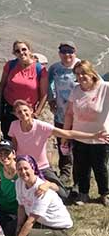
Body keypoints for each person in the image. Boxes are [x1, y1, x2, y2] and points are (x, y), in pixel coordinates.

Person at [10, 98, 106, 200]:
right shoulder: (14, 126)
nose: (23, 113)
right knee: (21, 195)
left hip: (42, 167)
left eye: (25, 110)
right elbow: (14, 149)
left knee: (63, 196)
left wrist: (93, 136)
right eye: (19, 112)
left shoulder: (41, 126)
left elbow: (68, 133)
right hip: (24, 168)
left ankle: (47, 186)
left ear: (31, 110)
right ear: (16, 115)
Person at [64, 59, 109, 206]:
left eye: (84, 73)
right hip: (79, 136)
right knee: (81, 167)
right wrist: (65, 134)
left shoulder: (105, 88)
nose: (81, 77)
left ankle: (104, 194)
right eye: (77, 74)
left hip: (100, 137)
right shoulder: (76, 90)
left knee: (100, 167)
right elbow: (69, 113)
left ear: (91, 72)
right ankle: (83, 194)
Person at [0, 40, 49, 138]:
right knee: (9, 138)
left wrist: (36, 113)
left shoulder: (40, 70)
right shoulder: (10, 65)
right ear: (14, 53)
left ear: (30, 50)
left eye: (24, 49)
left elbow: (44, 94)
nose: (21, 53)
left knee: (25, 140)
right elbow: (2, 85)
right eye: (17, 51)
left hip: (27, 113)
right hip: (9, 110)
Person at [47, 41, 80, 184]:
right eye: (64, 51)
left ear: (75, 52)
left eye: (70, 51)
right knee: (63, 145)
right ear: (59, 53)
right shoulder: (55, 68)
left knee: (79, 147)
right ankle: (65, 172)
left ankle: (80, 176)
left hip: (80, 116)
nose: (67, 54)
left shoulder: (81, 66)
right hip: (61, 114)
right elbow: (48, 85)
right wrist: (51, 100)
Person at [15, 155, 73, 236]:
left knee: (28, 234)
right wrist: (18, 226)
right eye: (20, 169)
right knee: (13, 226)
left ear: (33, 168)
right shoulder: (19, 182)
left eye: (26, 168)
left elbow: (31, 220)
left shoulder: (41, 189)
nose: (23, 172)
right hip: (41, 222)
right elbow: (21, 206)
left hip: (58, 227)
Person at [0, 140, 19, 236]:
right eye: (1, 154)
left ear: (13, 154)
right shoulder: (1, 167)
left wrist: (47, 185)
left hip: (12, 210)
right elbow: (4, 184)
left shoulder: (21, 170)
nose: (3, 156)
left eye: (7, 153)